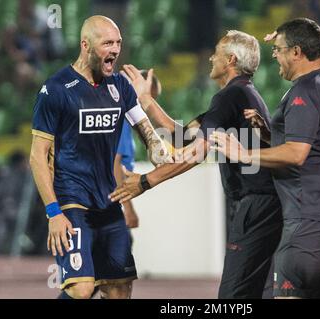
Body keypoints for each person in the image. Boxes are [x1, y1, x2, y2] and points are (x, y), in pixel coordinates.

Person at [112, 30, 283, 299]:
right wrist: (146, 100)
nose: (212, 57)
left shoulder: (230, 97)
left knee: (233, 296)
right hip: (261, 204)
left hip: (255, 205)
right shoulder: (240, 95)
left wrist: (146, 182)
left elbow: (197, 151)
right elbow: (182, 136)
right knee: (258, 292)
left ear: (231, 59)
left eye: (217, 52)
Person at [211, 18, 320, 299]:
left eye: (278, 49)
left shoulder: (305, 91)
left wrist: (243, 153)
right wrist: (268, 136)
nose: (274, 54)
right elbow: (318, 146)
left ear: (297, 52)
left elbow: (297, 153)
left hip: (307, 217)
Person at [29, 15, 170, 299]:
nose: (116, 49)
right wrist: (53, 212)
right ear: (86, 45)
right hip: (71, 201)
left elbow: (152, 141)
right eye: (107, 43)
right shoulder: (55, 89)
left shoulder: (122, 87)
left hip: (108, 202)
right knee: (82, 289)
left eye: (118, 42)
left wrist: (178, 151)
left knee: (119, 290)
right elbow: (37, 157)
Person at [114, 70, 161, 231]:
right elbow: (115, 163)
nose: (146, 107)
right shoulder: (120, 117)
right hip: (106, 204)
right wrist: (128, 208)